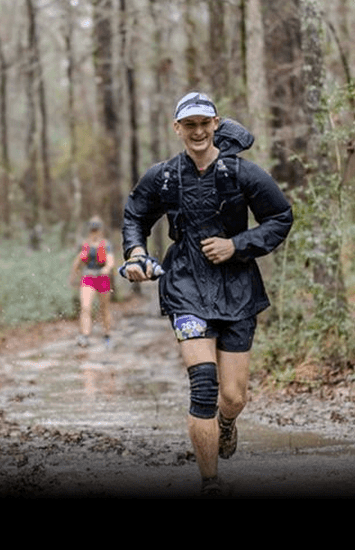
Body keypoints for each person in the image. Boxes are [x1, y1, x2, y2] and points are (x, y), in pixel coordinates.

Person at [120, 92, 293, 495]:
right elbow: (135, 216)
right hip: (185, 284)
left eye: (204, 123)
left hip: (237, 286)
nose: (197, 131)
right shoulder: (162, 177)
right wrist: (136, 253)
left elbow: (280, 217)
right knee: (203, 384)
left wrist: (237, 245)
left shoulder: (242, 173)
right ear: (177, 128)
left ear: (215, 124)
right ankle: (210, 482)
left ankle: (227, 423)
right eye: (189, 124)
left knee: (232, 397)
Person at [69, 217, 117, 349]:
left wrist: (106, 269)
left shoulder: (106, 244)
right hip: (88, 277)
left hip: (102, 278)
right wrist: (73, 276)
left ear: (100, 230)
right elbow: (77, 261)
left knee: (104, 308)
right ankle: (84, 335)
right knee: (85, 307)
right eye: (92, 230)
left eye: (96, 230)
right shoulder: (85, 244)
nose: (94, 232)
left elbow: (111, 260)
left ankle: (107, 334)